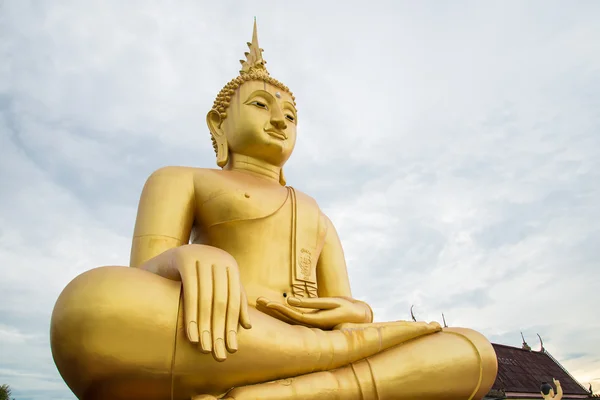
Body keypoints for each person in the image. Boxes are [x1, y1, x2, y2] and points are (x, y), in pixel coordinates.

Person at [50, 20, 498, 400]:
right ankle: (330, 377)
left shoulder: (314, 213)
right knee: (90, 307)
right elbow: (142, 275)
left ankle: (295, 391)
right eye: (261, 105)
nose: (280, 120)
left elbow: (346, 305)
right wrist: (181, 258)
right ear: (217, 123)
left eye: (291, 114)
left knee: (474, 349)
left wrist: (355, 314)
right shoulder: (180, 179)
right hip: (225, 335)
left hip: (294, 347)